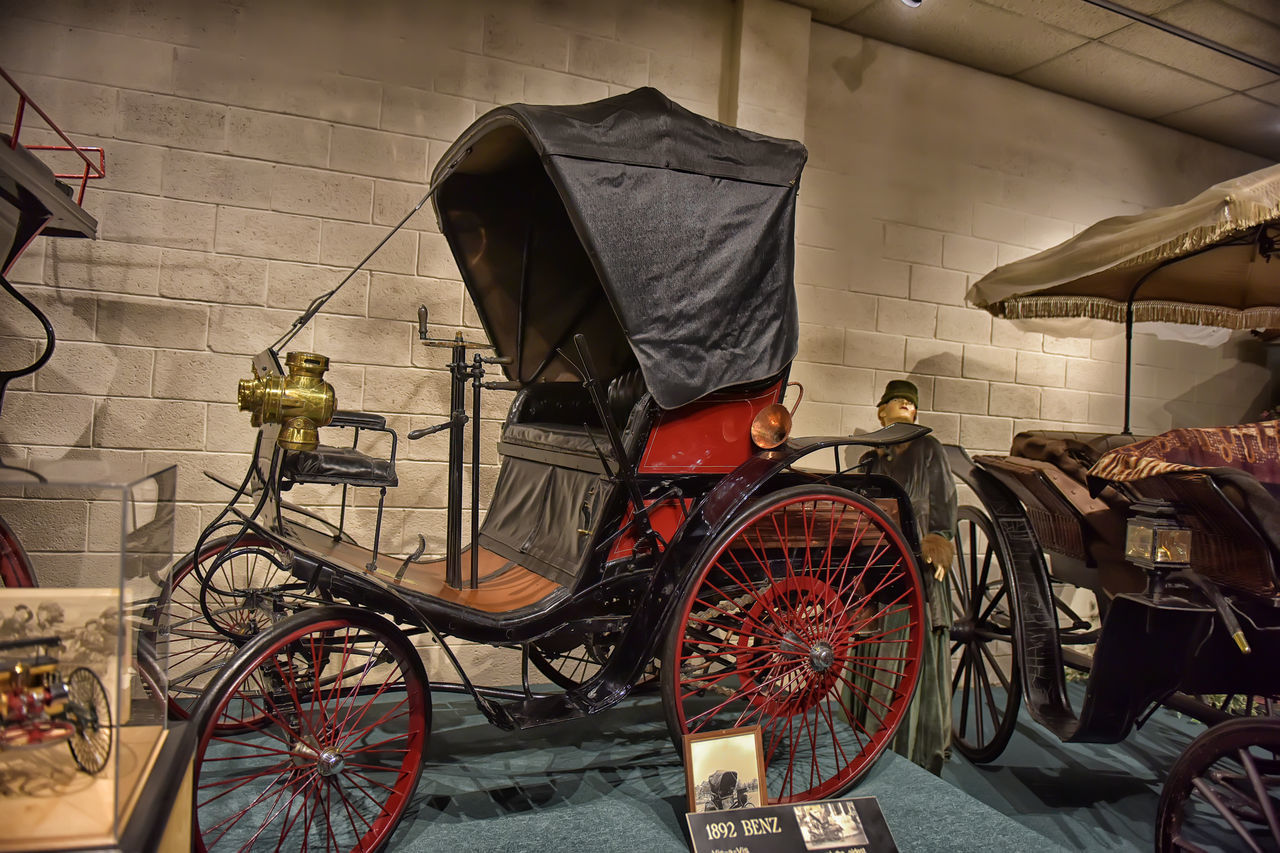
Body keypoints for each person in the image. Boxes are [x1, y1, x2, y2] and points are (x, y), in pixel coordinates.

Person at [852, 379, 957, 775]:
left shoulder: (929, 450)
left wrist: (939, 540)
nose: (905, 410)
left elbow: (944, 500)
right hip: (878, 567)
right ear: (881, 412)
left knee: (913, 647)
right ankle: (866, 729)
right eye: (897, 403)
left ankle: (915, 742)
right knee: (872, 639)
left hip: (918, 568)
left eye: (910, 405)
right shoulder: (870, 460)